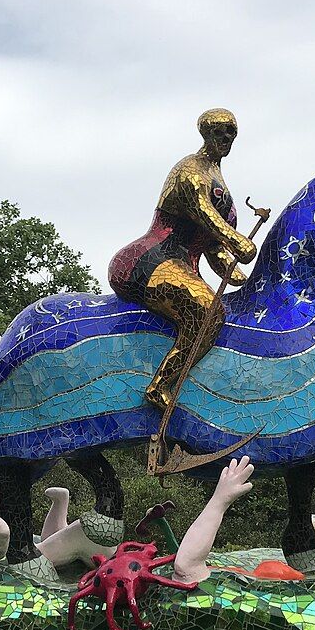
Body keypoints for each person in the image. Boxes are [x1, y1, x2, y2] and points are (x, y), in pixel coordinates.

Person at [109, 108, 257, 412]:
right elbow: (203, 214)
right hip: (149, 260)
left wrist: (246, 278)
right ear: (206, 133)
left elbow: (215, 252)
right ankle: (160, 385)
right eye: (220, 132)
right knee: (208, 313)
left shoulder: (222, 184)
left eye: (231, 133)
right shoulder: (190, 170)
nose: (226, 138)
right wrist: (239, 241)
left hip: (183, 268)